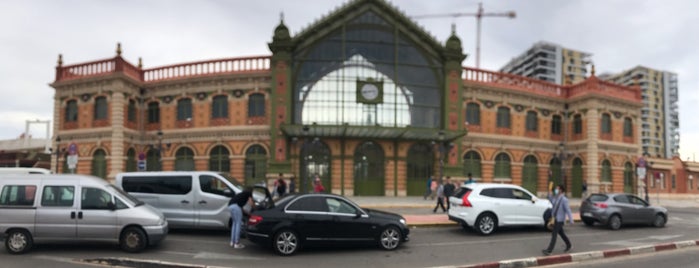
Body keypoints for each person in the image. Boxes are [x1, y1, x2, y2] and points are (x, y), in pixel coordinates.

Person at [542, 184, 574, 255]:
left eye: (557, 189)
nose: (556, 190)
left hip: (560, 220)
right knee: (561, 233)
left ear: (561, 190)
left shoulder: (564, 200)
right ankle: (569, 245)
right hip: (554, 218)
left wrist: (571, 220)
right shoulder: (556, 197)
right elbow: (551, 201)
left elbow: (568, 210)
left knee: (554, 234)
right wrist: (550, 193)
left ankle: (549, 250)